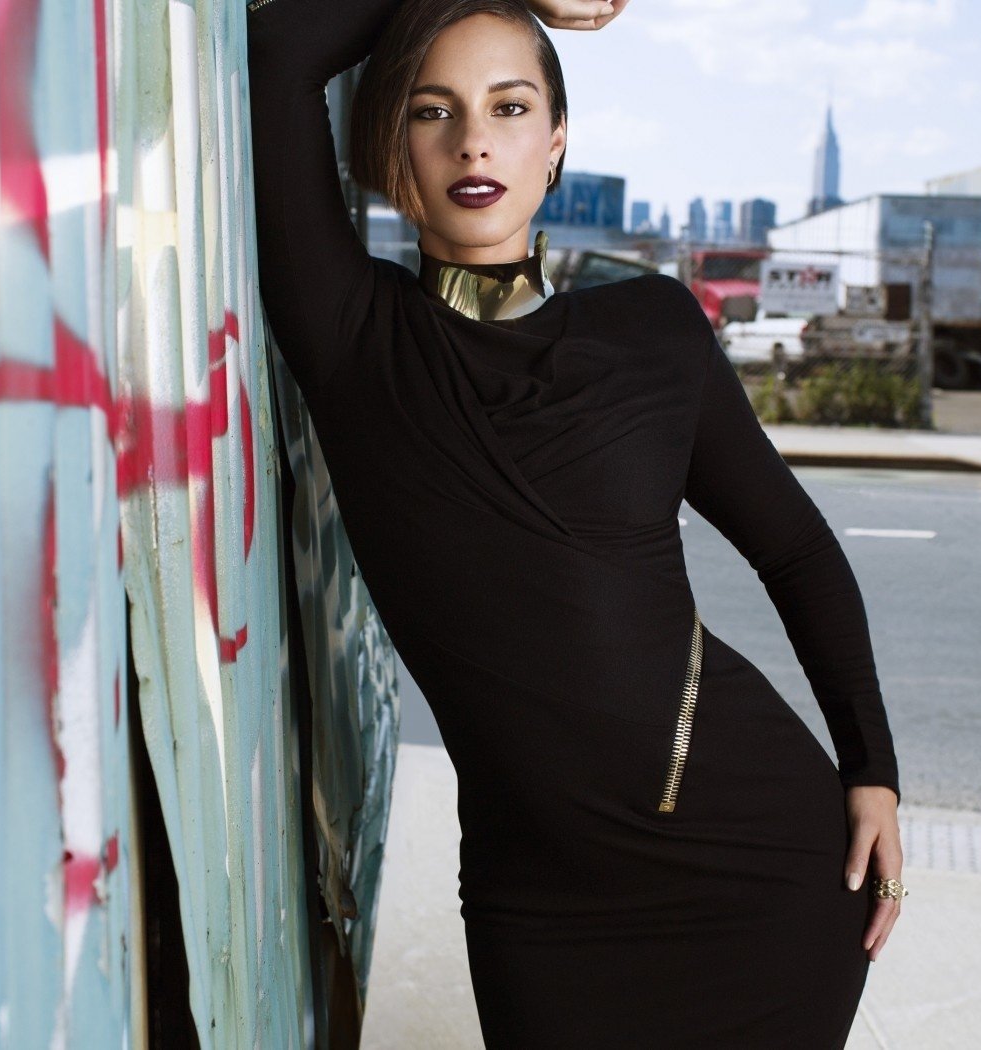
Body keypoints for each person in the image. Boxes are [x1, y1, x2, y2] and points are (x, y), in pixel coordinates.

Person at [247, 0, 907, 1044]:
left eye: (510, 107)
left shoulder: (651, 329)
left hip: (763, 864)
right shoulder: (353, 336)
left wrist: (872, 768)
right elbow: (282, 54)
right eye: (434, 110)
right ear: (391, 148)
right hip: (543, 910)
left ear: (556, 143)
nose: (474, 139)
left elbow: (796, 547)